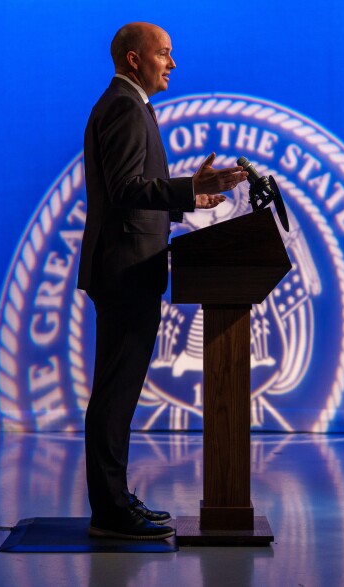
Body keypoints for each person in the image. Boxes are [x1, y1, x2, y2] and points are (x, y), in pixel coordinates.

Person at [77, 22, 247, 540]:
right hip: (127, 269)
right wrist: (186, 190)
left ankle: (117, 499)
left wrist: (190, 196)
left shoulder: (129, 106)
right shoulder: (125, 108)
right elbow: (128, 190)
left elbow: (135, 191)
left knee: (119, 392)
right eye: (164, 54)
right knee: (114, 393)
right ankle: (110, 511)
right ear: (134, 60)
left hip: (132, 266)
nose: (172, 64)